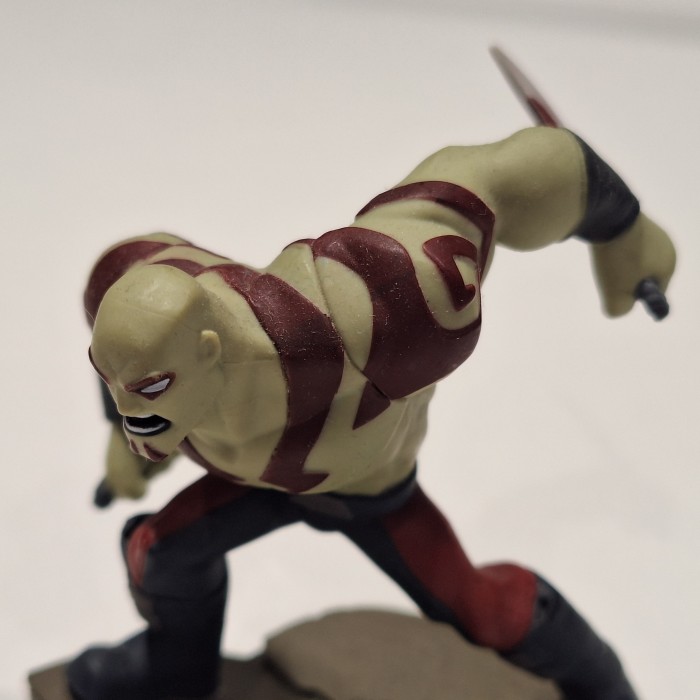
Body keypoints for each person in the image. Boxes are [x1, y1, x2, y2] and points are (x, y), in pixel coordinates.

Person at [68, 126, 675, 700]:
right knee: (158, 553)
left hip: (373, 493)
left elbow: (493, 176)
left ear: (208, 350)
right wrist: (123, 438)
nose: (129, 404)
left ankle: (604, 686)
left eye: (151, 388)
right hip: (252, 485)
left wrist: (622, 227)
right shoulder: (128, 277)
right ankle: (178, 674)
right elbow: (123, 357)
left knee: (486, 611)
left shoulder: (374, 307)